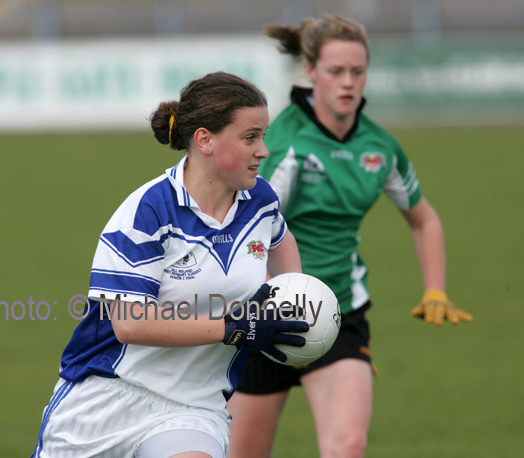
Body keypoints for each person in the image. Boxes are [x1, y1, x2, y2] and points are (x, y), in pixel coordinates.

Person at [226, 14, 473, 458]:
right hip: (264, 314)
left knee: (348, 446)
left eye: (357, 72)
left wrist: (435, 288)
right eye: (336, 71)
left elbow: (424, 219)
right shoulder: (285, 144)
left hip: (339, 311)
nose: (348, 82)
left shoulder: (379, 147)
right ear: (311, 72)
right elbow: (244, 224)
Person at [30, 71, 310, 458]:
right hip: (105, 398)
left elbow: (280, 239)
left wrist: (297, 296)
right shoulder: (148, 211)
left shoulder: (260, 201)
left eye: (263, 135)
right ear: (205, 140)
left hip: (193, 408)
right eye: (250, 137)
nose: (263, 150)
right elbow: (129, 323)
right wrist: (235, 327)